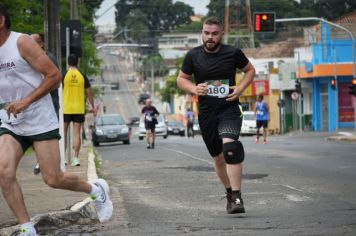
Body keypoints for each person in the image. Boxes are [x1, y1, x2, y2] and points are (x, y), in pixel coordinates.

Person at [0, 4, 112, 235]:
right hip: (12, 121)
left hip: (40, 118)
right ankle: (27, 228)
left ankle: (96, 190)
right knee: (4, 171)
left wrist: (26, 101)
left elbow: (54, 76)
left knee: (53, 178)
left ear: (1, 21)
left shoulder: (21, 43)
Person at [177, 16, 255, 214]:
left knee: (231, 149)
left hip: (229, 108)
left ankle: (237, 197)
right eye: (206, 33)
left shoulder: (233, 53)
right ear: (202, 33)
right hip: (206, 113)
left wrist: (240, 89)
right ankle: (229, 192)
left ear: (221, 34)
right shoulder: (193, 56)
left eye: (214, 33)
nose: (209, 37)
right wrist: (194, 89)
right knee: (218, 158)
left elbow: (249, 70)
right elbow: (181, 79)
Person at [30, 33, 60, 175]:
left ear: (41, 44)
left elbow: (56, 82)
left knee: (46, 136)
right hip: (33, 104)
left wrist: (41, 89)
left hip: (49, 103)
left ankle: (49, 164)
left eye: (33, 42)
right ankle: (41, 160)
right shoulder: (28, 58)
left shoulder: (49, 57)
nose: (29, 45)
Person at [62, 54, 96, 167]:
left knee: (64, 133)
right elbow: (89, 92)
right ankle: (75, 158)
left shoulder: (64, 75)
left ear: (68, 63)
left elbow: (57, 90)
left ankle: (64, 159)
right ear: (78, 62)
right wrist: (92, 106)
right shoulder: (82, 75)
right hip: (78, 108)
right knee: (77, 133)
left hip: (66, 108)